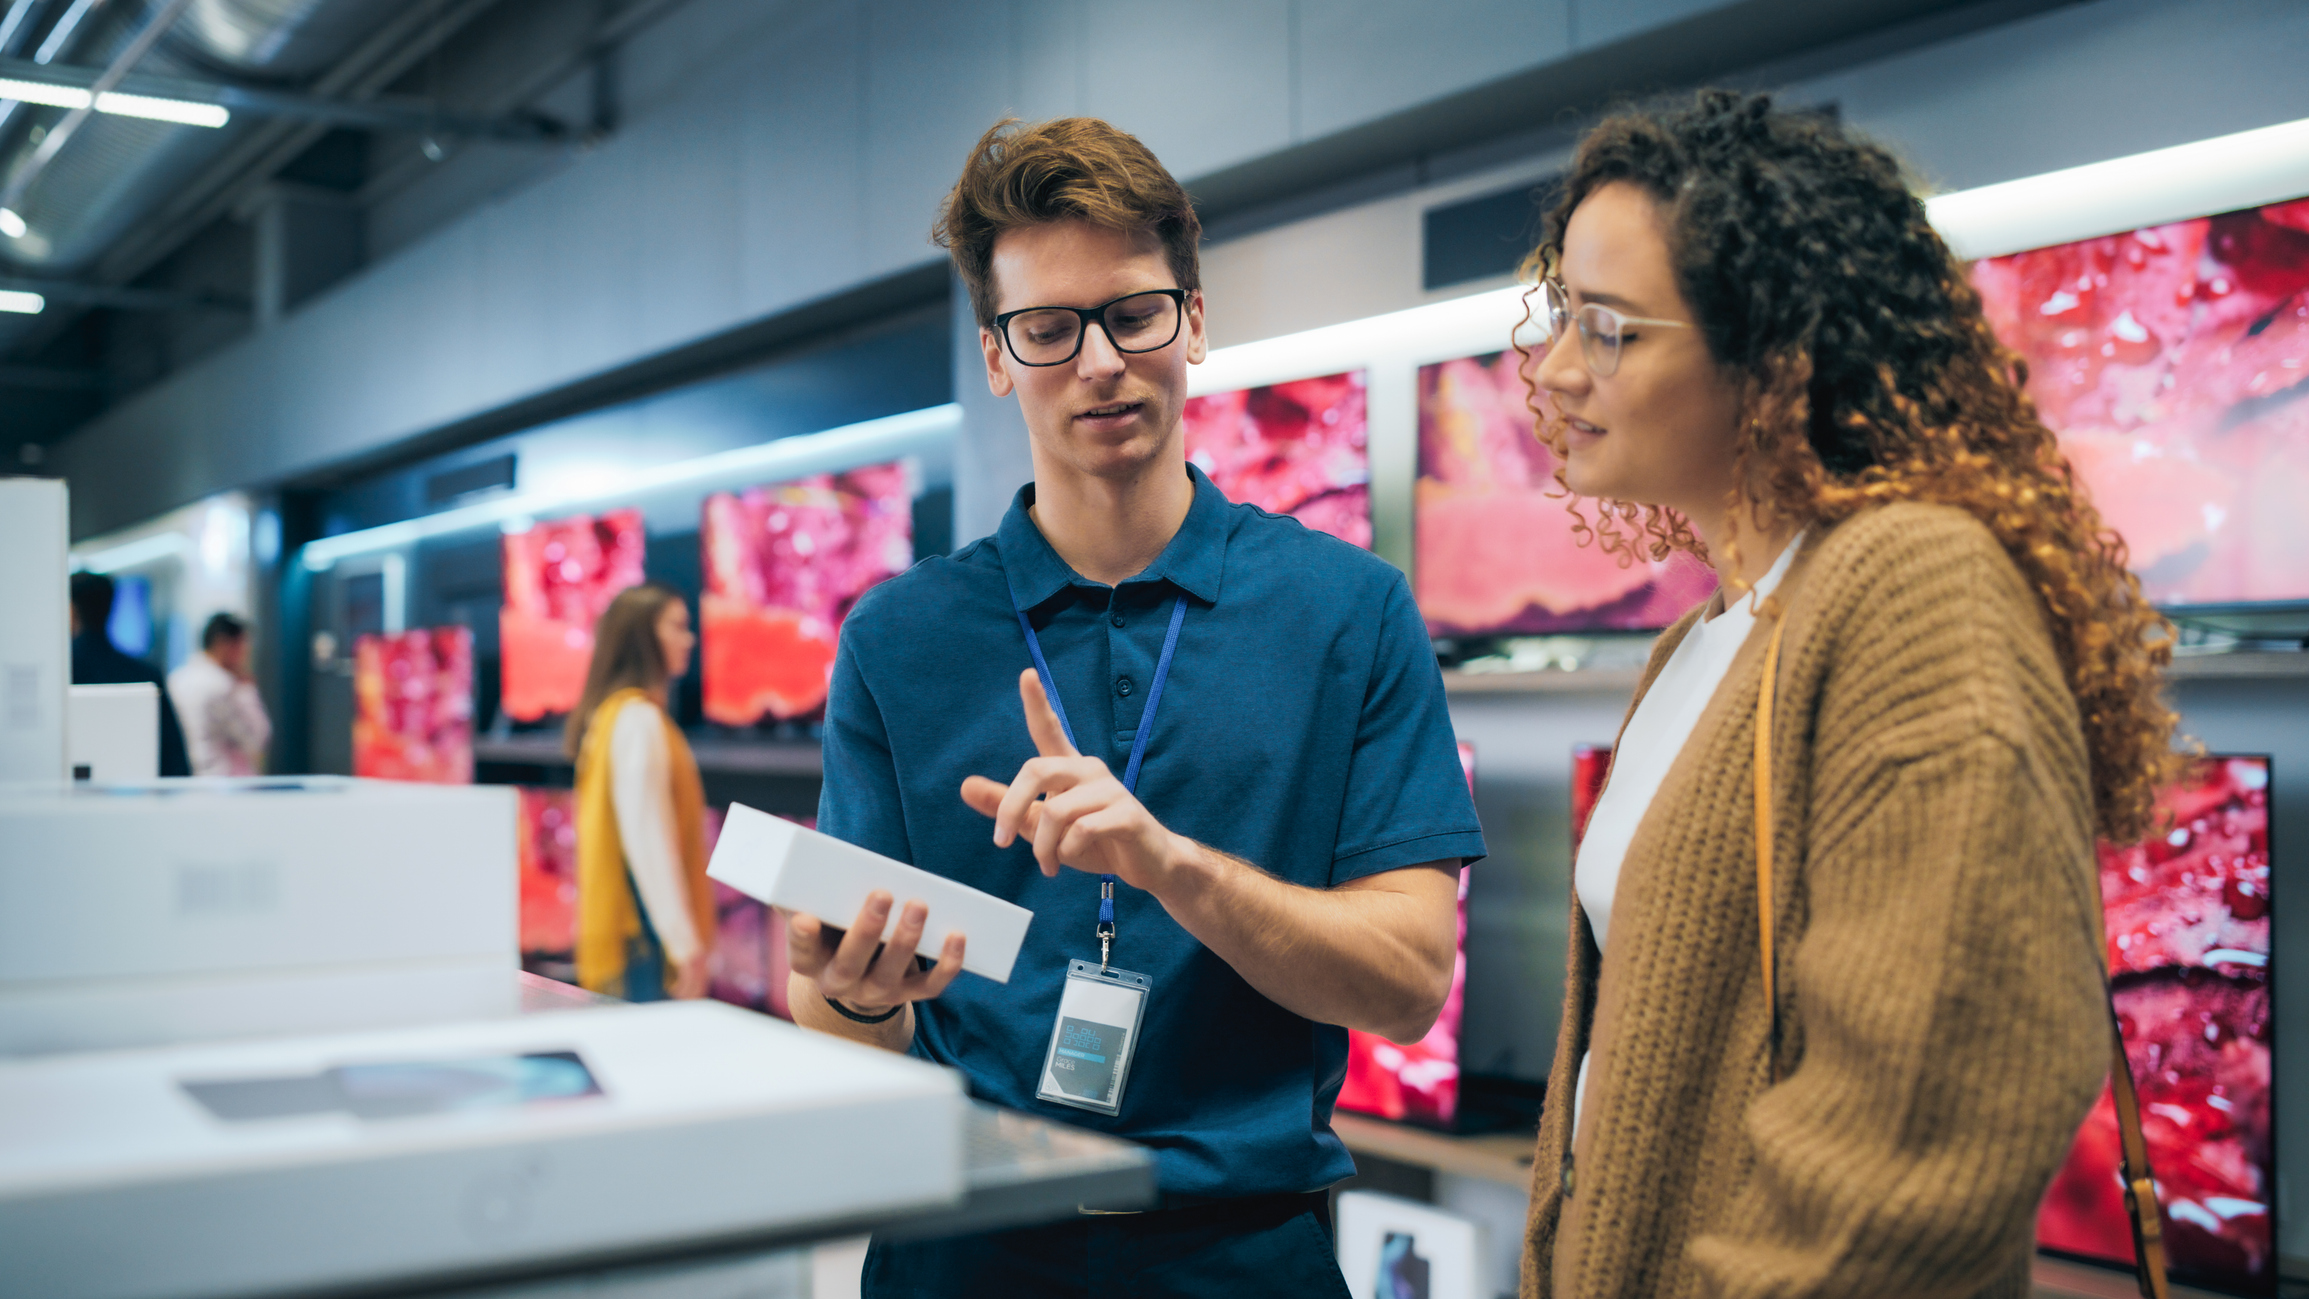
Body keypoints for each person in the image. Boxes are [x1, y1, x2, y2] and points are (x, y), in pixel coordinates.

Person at [789, 116, 1486, 1299]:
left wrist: (1169, 864)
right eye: (1047, 330)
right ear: (998, 356)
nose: (1099, 362)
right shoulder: (896, 639)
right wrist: (852, 988)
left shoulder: (1346, 613)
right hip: (961, 1251)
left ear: (1193, 320)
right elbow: (841, 1013)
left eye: (1132, 313)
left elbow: (1409, 985)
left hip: (1245, 1251)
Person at [1514, 92, 2179, 1297]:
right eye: (1559, 314)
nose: (1553, 371)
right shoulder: (1695, 645)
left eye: (1608, 330)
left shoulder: (1912, 586)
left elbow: (1927, 1141)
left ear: (1772, 355)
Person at [566, 584, 716, 1003]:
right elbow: (648, 840)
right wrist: (683, 943)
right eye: (677, 627)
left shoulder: (612, 714)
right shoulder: (638, 719)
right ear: (642, 636)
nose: (690, 639)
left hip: (633, 928)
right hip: (644, 934)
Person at [68, 571, 190, 778]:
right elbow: (175, 763)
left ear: (70, 609)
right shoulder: (145, 674)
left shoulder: (60, 675)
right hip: (135, 800)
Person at [169, 612, 272, 777]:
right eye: (243, 646)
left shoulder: (176, 679)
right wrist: (246, 689)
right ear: (224, 644)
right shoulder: (222, 685)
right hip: (221, 783)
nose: (246, 654)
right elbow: (256, 739)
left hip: (186, 778)